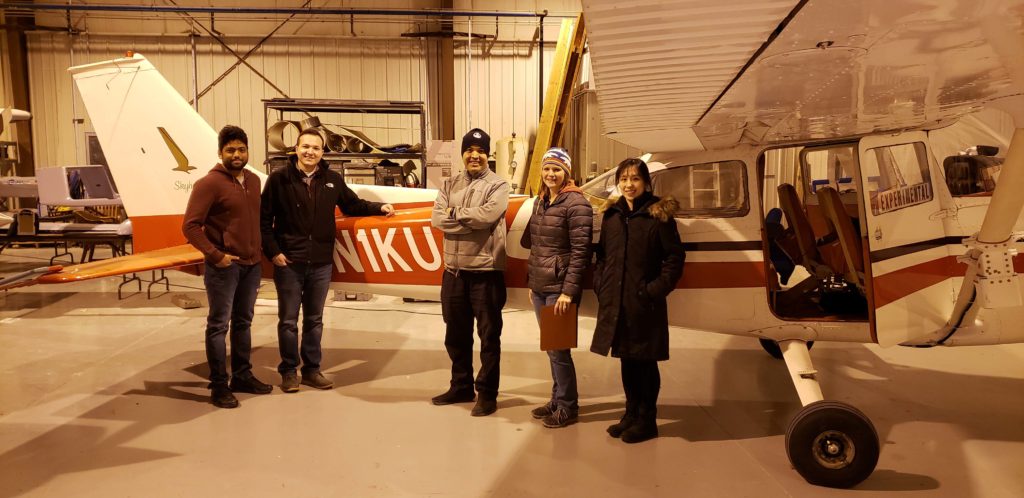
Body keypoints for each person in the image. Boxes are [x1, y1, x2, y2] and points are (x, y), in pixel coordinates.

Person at [260, 128, 394, 393]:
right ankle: (288, 371)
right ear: (296, 149)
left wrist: (379, 208)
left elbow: (351, 205)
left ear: (322, 152)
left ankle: (311, 370)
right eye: (305, 146)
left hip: (320, 262)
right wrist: (274, 252)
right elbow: (264, 220)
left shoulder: (332, 179)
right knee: (288, 320)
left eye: (316, 148)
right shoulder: (278, 180)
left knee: (314, 319)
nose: (310, 152)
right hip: (289, 262)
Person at [591, 157, 685, 443]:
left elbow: (674, 259)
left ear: (646, 183)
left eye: (635, 179)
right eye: (623, 179)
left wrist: (652, 291)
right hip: (617, 301)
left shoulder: (658, 215)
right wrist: (601, 285)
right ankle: (630, 414)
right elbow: (603, 257)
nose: (628, 184)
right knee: (626, 361)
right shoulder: (613, 215)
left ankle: (647, 420)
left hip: (645, 304)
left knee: (645, 363)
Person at [182, 125, 272, 408]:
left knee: (243, 322)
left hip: (251, 265)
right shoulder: (208, 184)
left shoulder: (255, 181)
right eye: (230, 150)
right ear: (220, 153)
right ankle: (219, 385)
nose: (237, 154)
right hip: (224, 267)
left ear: (248, 151)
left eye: (241, 149)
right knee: (219, 325)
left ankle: (243, 376)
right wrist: (214, 254)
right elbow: (191, 227)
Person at [430, 128, 509, 417]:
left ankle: (487, 394)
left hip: (485, 272)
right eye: (469, 150)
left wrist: (454, 214)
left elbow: (488, 216)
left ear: (488, 154)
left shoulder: (499, 185)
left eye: (480, 151)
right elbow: (437, 219)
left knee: (489, 338)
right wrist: (467, 220)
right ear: (463, 154)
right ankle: (461, 385)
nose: (474, 155)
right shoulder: (449, 184)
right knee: (456, 335)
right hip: (453, 273)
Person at [520, 147, 592, 428]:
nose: (551, 174)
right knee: (551, 348)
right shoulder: (542, 201)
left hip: (559, 289)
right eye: (547, 168)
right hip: (540, 286)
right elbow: (536, 247)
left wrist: (567, 292)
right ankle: (557, 399)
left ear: (567, 173)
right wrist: (532, 282)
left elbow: (580, 253)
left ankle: (568, 407)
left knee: (559, 350)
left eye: (557, 169)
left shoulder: (576, 204)